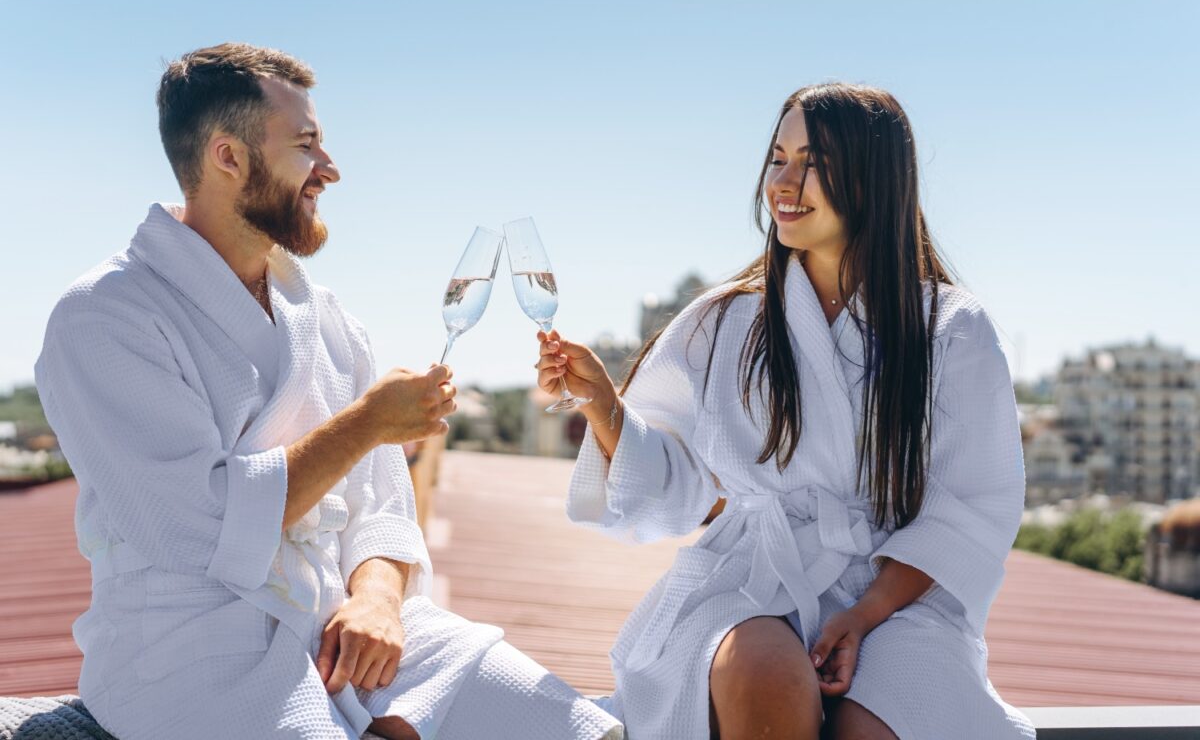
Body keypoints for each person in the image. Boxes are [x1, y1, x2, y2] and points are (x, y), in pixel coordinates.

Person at [35, 43, 621, 740]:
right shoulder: (105, 316)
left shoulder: (328, 318)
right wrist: (369, 422)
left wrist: (377, 599)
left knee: (571, 726)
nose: (331, 169)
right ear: (228, 157)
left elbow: (383, 507)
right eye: (307, 144)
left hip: (342, 622)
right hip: (194, 650)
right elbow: (198, 529)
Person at [535, 83, 1037, 739]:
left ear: (875, 178)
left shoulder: (950, 328)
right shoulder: (726, 321)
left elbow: (970, 507)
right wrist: (604, 405)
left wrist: (862, 616)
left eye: (815, 162)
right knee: (763, 673)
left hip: (895, 593)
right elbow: (681, 483)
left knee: (882, 723)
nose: (786, 181)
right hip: (751, 573)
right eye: (778, 157)